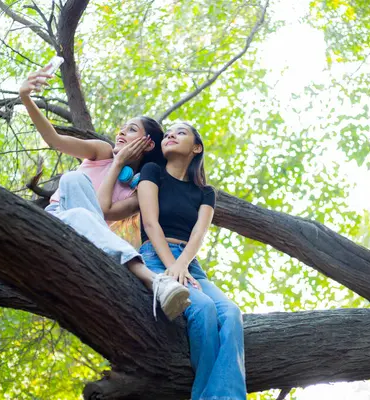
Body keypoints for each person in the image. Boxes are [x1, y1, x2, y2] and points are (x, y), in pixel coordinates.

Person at [18, 64, 190, 320]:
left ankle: (158, 285)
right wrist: (26, 98)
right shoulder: (102, 151)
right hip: (56, 220)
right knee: (74, 180)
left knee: (81, 212)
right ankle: (154, 282)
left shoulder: (138, 193)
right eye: (122, 128)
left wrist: (120, 165)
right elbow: (54, 140)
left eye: (131, 130)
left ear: (148, 143)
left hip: (87, 243)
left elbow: (100, 211)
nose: (121, 132)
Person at [138, 122, 246, 399]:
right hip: (155, 257)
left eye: (181, 132)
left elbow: (199, 233)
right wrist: (172, 266)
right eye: (169, 132)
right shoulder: (152, 173)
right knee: (203, 309)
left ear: (196, 148)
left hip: (190, 263)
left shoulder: (205, 192)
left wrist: (182, 264)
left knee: (232, 313)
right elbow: (150, 223)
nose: (171, 134)